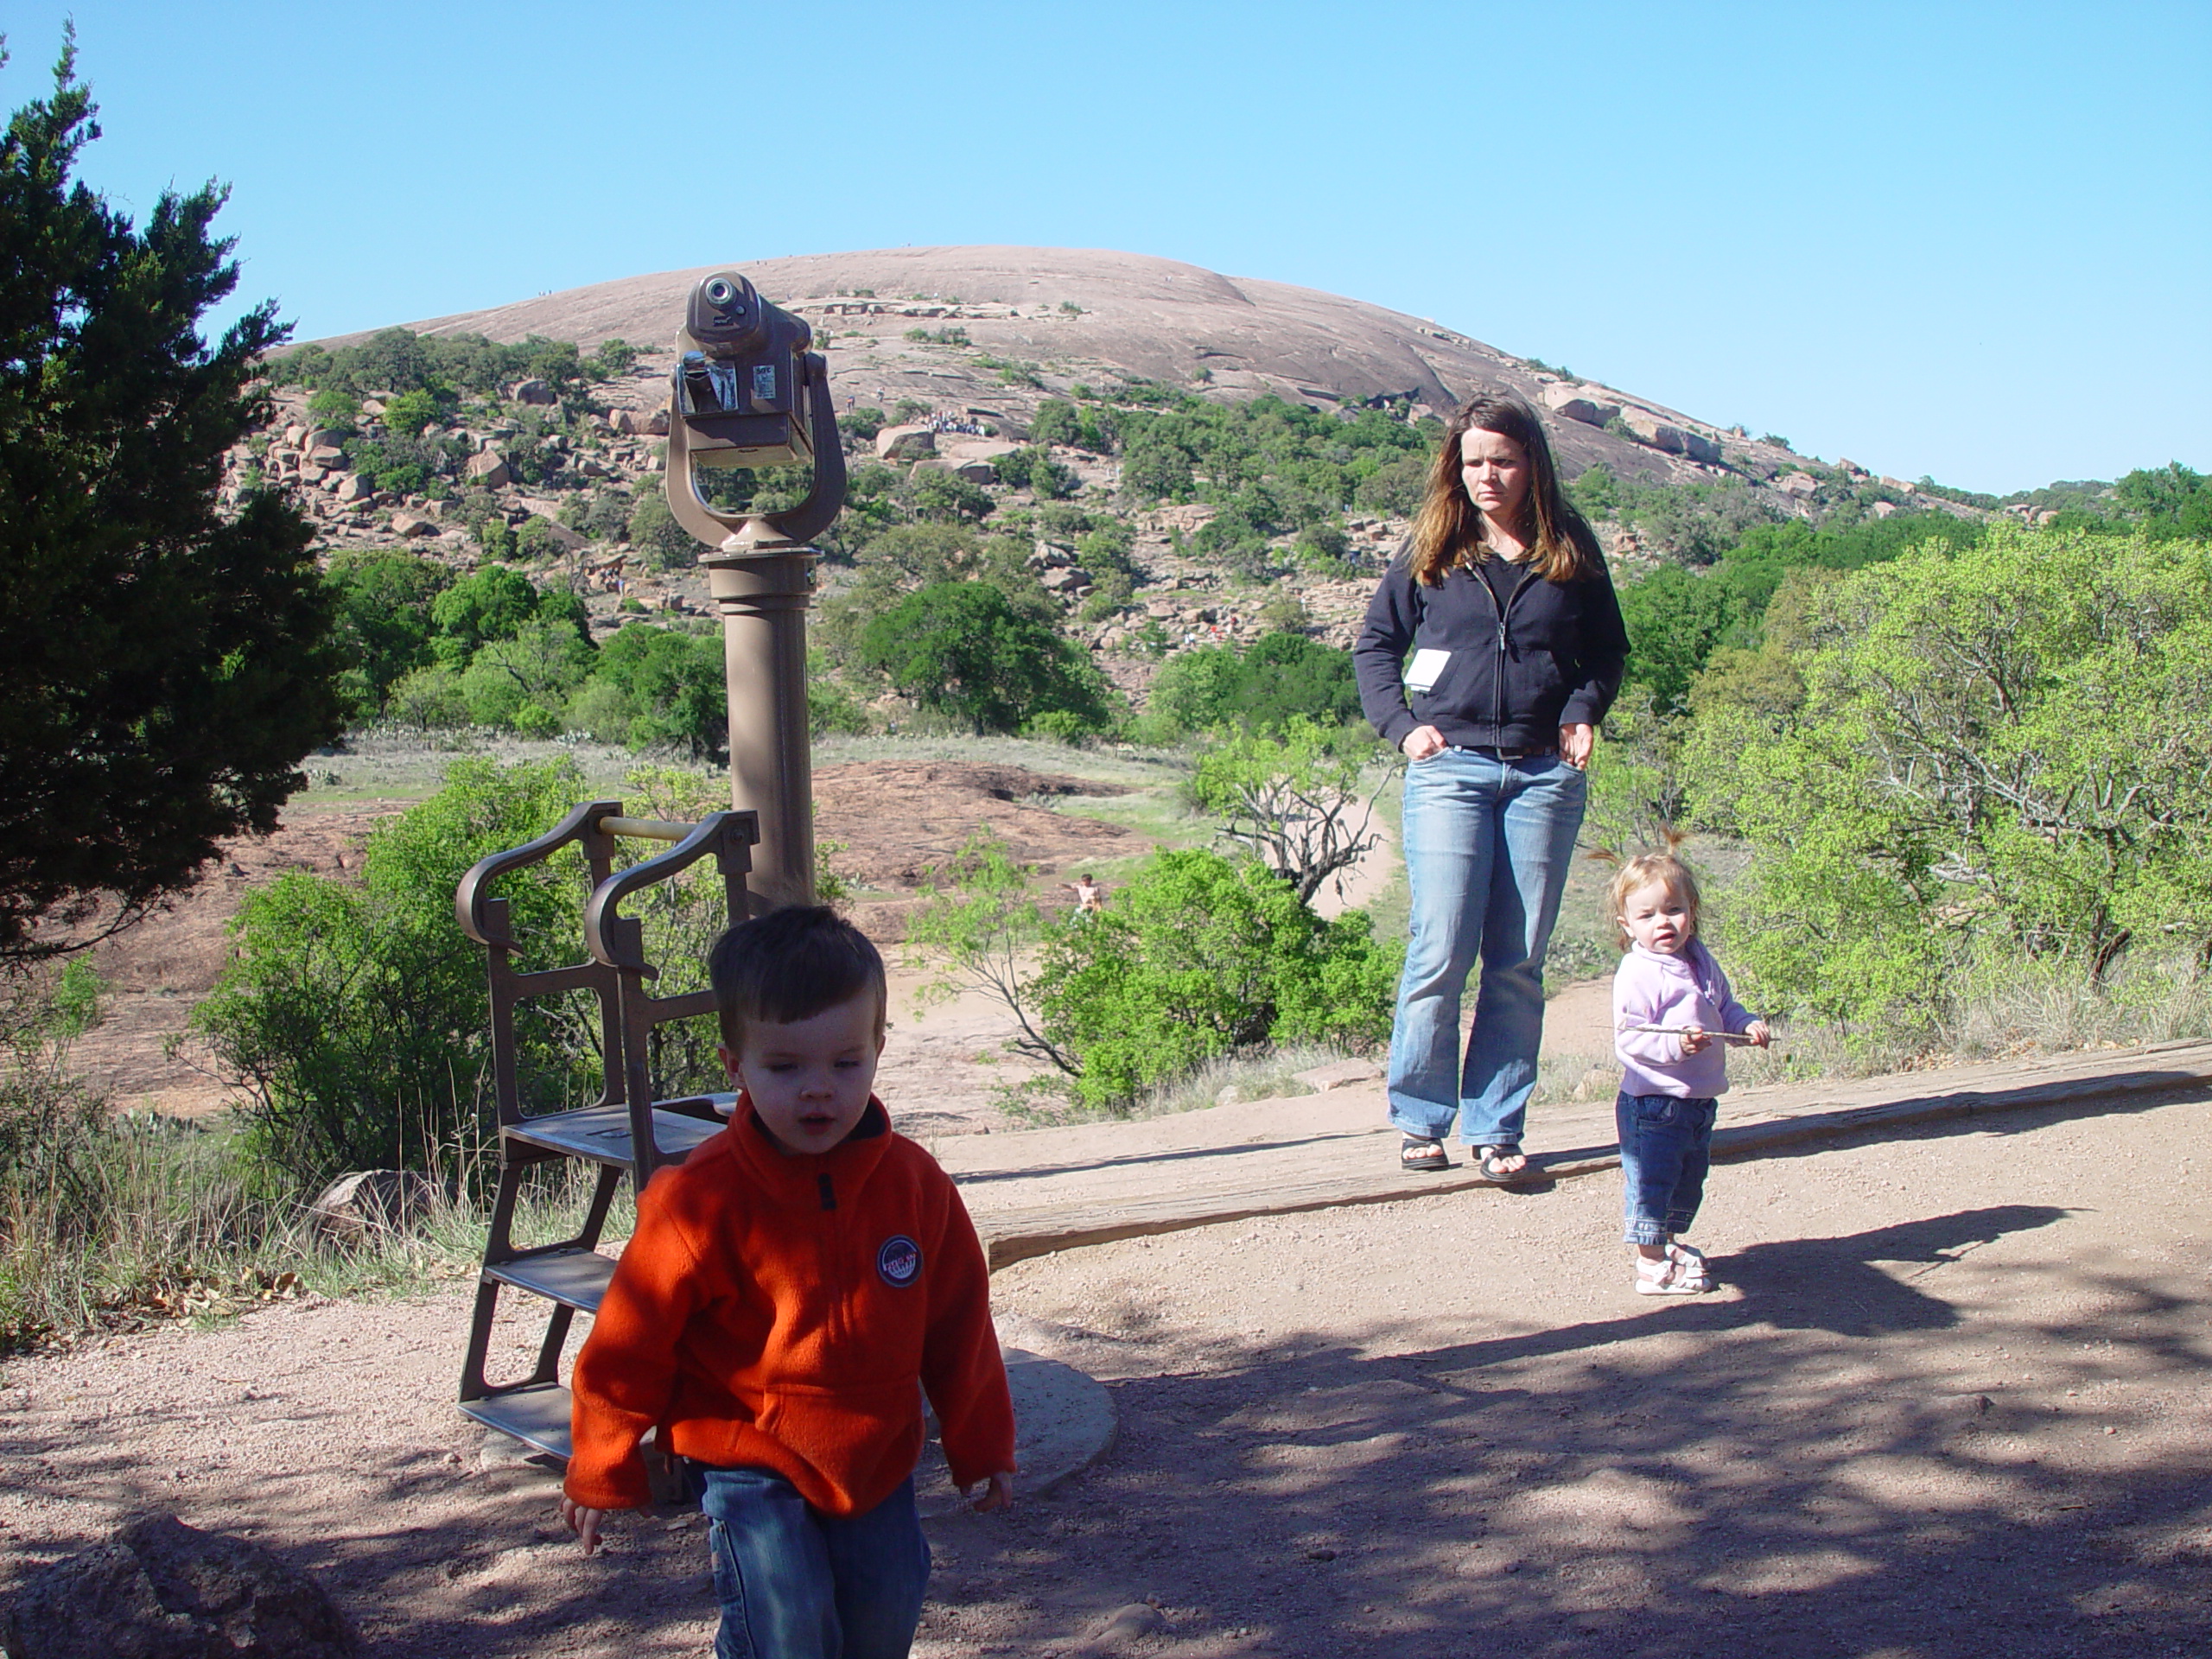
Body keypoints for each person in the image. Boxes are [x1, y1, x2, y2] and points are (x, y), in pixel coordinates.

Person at [561, 906, 1016, 1659]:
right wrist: (601, 1459)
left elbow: (959, 1325)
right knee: (789, 1621)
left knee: (886, 1608)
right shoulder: (697, 1200)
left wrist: (982, 1441)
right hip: (747, 1449)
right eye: (785, 1067)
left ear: (878, 1048)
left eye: (845, 1063)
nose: (818, 1091)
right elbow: (630, 1341)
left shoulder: (916, 1186)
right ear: (736, 1065)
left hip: (874, 1449)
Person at [1354, 391, 1630, 1181]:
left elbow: (1607, 653)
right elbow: (1375, 647)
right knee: (1440, 946)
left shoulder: (1568, 547)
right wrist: (1405, 728)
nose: (1487, 476)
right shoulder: (1433, 547)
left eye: (1502, 460)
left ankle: (1497, 1126)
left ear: (1531, 462)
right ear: (1456, 467)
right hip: (1452, 771)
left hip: (1545, 774)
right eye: (1473, 461)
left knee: (1517, 959)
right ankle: (1420, 1117)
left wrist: (1583, 711)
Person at [1609, 850, 1770, 1294]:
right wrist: (1676, 1043)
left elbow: (1724, 1008)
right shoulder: (1638, 972)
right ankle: (1651, 1266)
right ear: (1627, 925)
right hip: (1653, 1103)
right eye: (1647, 915)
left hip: (1698, 1099)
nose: (1663, 922)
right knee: (1652, 1181)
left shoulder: (1700, 959)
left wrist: (1744, 1026)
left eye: (1674, 910)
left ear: (1691, 912)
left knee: (1687, 1179)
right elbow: (1630, 1039)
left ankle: (1668, 1244)